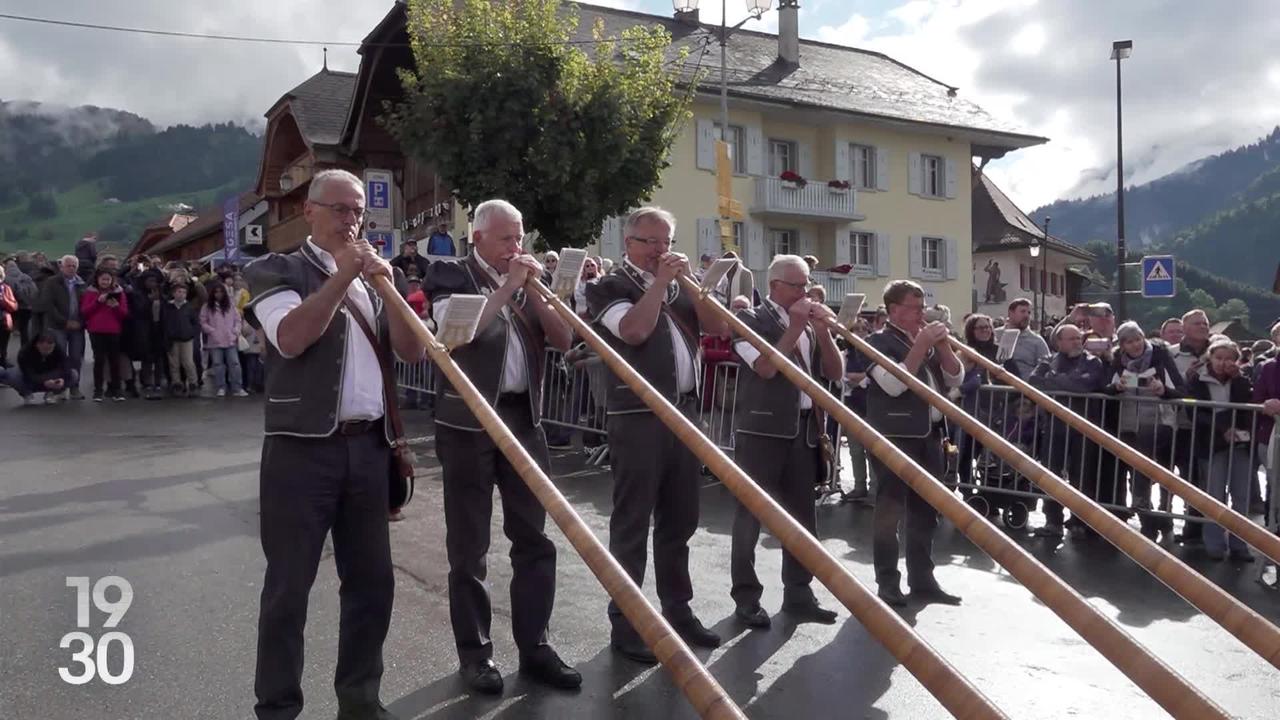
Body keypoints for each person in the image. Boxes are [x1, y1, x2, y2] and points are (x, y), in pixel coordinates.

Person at [243, 168, 426, 720]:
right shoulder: (273, 268)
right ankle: (278, 706)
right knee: (288, 588)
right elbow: (292, 338)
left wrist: (387, 288)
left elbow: (415, 354)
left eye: (358, 212)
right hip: (301, 450)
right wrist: (343, 278)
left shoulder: (373, 278)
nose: (352, 221)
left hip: (368, 448)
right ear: (310, 211)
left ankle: (360, 698)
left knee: (373, 583)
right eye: (341, 209)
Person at [423, 199, 578, 695]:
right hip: (467, 421)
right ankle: (476, 655)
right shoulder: (450, 273)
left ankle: (536, 647)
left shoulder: (528, 281)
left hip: (523, 418)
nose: (517, 247)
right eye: (507, 238)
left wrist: (535, 294)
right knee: (469, 546)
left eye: (520, 237)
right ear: (480, 238)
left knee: (535, 538)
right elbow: (456, 336)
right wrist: (508, 286)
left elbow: (563, 337)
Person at [585, 206, 728, 663]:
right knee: (631, 524)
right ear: (628, 244)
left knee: (680, 520)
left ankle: (677, 609)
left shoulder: (678, 285)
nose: (659, 250)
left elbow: (719, 327)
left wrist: (693, 284)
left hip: (684, 414)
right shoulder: (607, 286)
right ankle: (627, 624)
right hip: (637, 415)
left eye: (665, 241)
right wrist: (663, 284)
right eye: (649, 241)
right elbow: (633, 330)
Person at [729, 255, 843, 629]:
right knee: (751, 515)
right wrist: (796, 326)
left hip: (805, 428)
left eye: (807, 284)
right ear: (775, 285)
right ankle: (746, 598)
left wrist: (823, 330)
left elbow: (835, 372)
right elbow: (764, 368)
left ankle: (799, 592)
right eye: (797, 285)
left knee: (802, 516)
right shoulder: (748, 319)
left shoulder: (808, 324)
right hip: (761, 431)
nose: (805, 291)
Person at [864, 279, 964, 607]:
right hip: (895, 437)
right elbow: (894, 385)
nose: (922, 312)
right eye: (915, 307)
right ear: (894, 310)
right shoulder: (876, 341)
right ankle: (887, 582)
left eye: (923, 306)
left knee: (926, 512)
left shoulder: (923, 339)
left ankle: (922, 579)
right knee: (889, 513)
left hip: (930, 435)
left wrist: (945, 345)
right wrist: (920, 345)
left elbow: (954, 377)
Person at [1028, 324, 1108, 539]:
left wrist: (1054, 381)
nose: (1076, 342)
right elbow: (1034, 381)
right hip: (1055, 425)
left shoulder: (1092, 361)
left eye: (1078, 338)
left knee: (1082, 476)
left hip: (1084, 426)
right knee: (1051, 475)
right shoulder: (1048, 360)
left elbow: (1085, 386)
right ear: (1059, 342)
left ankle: (1081, 521)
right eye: (1071, 339)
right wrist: (1066, 381)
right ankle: (1052, 521)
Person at [1107, 321, 1184, 541]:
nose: (1134, 345)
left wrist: (1163, 390)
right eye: (1129, 342)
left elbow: (1180, 389)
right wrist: (1117, 387)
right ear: (1122, 346)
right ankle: (1148, 521)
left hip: (1160, 420)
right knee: (1137, 468)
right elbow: (1104, 387)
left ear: (1143, 338)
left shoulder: (1160, 354)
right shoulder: (1117, 360)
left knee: (1159, 470)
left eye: (1137, 339)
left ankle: (1163, 513)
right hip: (1129, 421)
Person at [1186, 337, 1256, 562]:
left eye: (1228, 359)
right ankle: (1214, 544)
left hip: (1240, 442)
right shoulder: (1197, 379)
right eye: (1218, 358)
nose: (1223, 363)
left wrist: (1239, 379)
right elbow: (1195, 411)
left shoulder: (1240, 380)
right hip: (1212, 443)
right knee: (1214, 495)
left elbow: (1246, 405)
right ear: (1210, 357)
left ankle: (1239, 544)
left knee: (1241, 496)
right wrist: (1223, 428)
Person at [1169, 308, 1213, 544]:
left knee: (1211, 479)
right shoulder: (1171, 354)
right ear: (1185, 328)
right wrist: (1186, 378)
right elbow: (1168, 386)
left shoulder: (1218, 349)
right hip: (1183, 424)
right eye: (1197, 323)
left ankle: (1212, 528)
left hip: (1213, 423)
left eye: (1205, 323)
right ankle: (1192, 525)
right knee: (1189, 477)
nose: (1203, 327)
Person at [36, 255, 87, 400]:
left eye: (74, 266)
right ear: (61, 267)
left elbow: (86, 305)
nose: (71, 268)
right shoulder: (52, 282)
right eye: (68, 265)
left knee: (76, 357)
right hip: (57, 326)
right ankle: (57, 388)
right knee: (58, 356)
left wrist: (81, 322)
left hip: (77, 327)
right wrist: (64, 322)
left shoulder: (81, 283)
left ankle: (74, 387)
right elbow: (48, 305)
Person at [80, 269, 131, 402]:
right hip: (96, 330)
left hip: (113, 330)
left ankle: (117, 389)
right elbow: (85, 312)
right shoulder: (90, 292)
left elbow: (124, 314)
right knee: (99, 360)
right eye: (103, 279)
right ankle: (98, 390)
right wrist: (98, 302)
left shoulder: (119, 293)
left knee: (115, 360)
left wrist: (115, 306)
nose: (105, 282)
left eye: (108, 279)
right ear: (97, 279)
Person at [841, 317, 875, 504]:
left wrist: (858, 378)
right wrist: (856, 378)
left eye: (864, 328)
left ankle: (874, 489)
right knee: (855, 449)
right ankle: (859, 486)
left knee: (872, 450)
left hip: (871, 405)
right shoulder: (847, 353)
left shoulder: (872, 352)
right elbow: (841, 375)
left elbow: (872, 374)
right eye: (856, 329)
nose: (860, 332)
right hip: (852, 405)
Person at [200, 282, 248, 398]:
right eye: (216, 292)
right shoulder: (207, 307)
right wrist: (212, 331)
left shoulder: (230, 305)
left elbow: (237, 319)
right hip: (215, 341)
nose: (218, 294)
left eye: (221, 291)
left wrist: (236, 330)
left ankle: (237, 387)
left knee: (235, 363)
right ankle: (221, 387)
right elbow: (203, 321)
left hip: (230, 339)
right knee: (218, 364)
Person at [0, 331, 69, 404]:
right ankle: (26, 393)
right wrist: (44, 381)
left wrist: (61, 379)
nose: (46, 351)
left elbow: (66, 367)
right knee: (12, 374)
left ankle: (52, 393)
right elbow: (28, 373)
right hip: (32, 378)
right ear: (37, 344)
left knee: (73, 375)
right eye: (44, 348)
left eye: (49, 348)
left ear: (54, 345)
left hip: (51, 377)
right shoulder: (25, 352)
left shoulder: (59, 351)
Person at [163, 285, 200, 397]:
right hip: (172, 339)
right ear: (174, 293)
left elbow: (195, 323)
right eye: (179, 292)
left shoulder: (189, 307)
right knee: (174, 363)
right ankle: (177, 384)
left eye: (184, 292)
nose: (181, 294)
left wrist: (191, 333)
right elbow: (164, 322)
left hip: (186, 339)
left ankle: (193, 383)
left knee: (188, 362)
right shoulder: (168, 307)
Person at [1003, 298, 1050, 379]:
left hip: (1025, 387)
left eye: (1029, 312)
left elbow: (1046, 367)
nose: (1026, 315)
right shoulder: (997, 335)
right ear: (1011, 313)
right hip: (999, 387)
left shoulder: (1037, 341)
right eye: (1022, 311)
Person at [4, 259, 38, 349]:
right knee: (24, 330)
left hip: (13, 308)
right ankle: (25, 351)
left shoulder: (6, 278)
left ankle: (3, 353)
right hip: (26, 307)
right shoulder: (25, 277)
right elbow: (35, 291)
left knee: (7, 330)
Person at [0, 264, 16, 367]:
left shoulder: (6, 288)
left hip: (4, 321)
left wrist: (3, 300)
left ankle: (3, 360)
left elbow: (14, 306)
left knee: (4, 343)